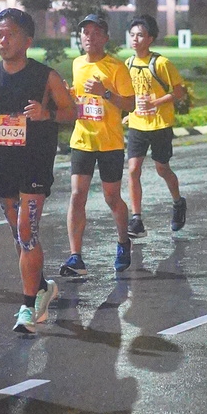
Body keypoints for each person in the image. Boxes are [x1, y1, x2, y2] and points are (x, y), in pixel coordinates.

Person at [0, 8, 76, 332]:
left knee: (26, 232)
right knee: (20, 235)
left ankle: (28, 308)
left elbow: (71, 112)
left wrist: (46, 114)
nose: (2, 40)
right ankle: (42, 287)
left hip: (34, 165)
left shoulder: (45, 76)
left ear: (27, 40)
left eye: (10, 34)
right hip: (2, 166)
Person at [60, 14, 136, 277]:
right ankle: (76, 257)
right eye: (85, 32)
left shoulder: (116, 67)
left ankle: (123, 242)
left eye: (95, 33)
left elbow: (131, 104)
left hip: (109, 142)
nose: (89, 37)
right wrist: (70, 95)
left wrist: (105, 92)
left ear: (105, 37)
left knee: (111, 197)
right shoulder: (77, 63)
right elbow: (81, 99)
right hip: (82, 138)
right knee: (77, 195)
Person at [125, 15, 187, 238]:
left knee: (162, 168)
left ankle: (178, 202)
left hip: (160, 124)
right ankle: (136, 219)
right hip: (137, 124)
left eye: (140, 35)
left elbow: (179, 92)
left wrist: (156, 102)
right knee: (133, 169)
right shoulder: (128, 64)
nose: (135, 39)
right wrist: (127, 113)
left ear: (150, 39)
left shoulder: (161, 63)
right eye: (132, 35)